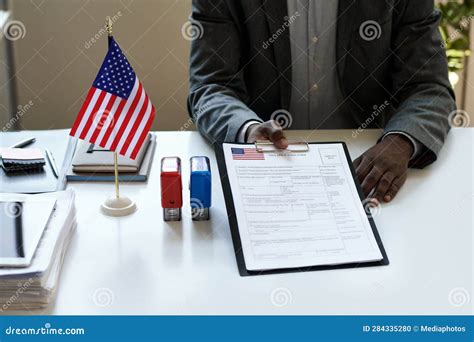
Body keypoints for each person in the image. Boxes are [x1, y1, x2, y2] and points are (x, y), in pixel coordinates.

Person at [187, 0, 455, 203]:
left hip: (366, 165)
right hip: (266, 168)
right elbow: (211, 86)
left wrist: (401, 140)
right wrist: (247, 130)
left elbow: (428, 85)